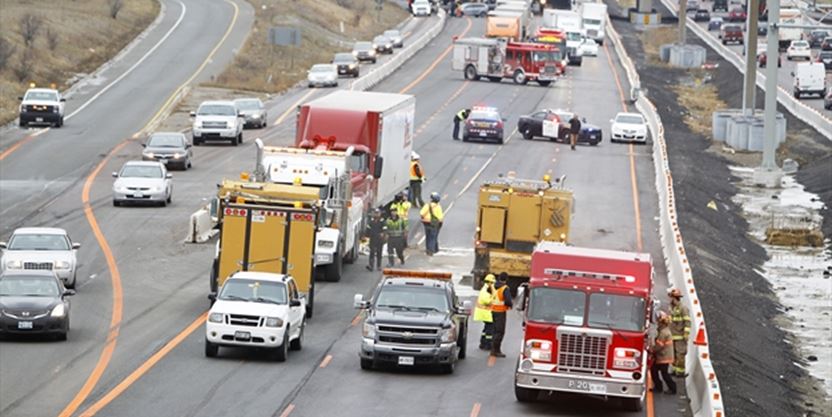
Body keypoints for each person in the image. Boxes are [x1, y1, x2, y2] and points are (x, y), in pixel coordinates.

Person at [650, 312, 678, 395]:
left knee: (663, 373)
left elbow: (659, 345)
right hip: (664, 356)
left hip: (663, 357)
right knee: (656, 371)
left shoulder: (663, 333)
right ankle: (660, 387)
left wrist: (652, 350)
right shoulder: (664, 331)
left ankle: (672, 388)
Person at [669, 288, 691, 377]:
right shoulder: (672, 308)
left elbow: (687, 322)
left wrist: (686, 334)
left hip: (680, 337)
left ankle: (681, 372)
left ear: (675, 298)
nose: (670, 299)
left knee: (680, 354)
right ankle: (674, 370)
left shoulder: (683, 308)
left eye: (671, 297)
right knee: (673, 354)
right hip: (672, 335)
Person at [490, 272, 513, 358]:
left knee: (495, 330)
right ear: (506, 279)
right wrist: (510, 305)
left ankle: (493, 349)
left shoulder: (493, 286)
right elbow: (508, 301)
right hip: (500, 312)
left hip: (493, 310)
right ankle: (495, 350)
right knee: (500, 331)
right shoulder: (504, 288)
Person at [474, 274, 496, 350]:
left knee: (486, 329)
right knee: (489, 330)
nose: (493, 284)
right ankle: (487, 344)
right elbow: (488, 301)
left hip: (484, 313)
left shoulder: (486, 289)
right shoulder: (485, 291)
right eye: (492, 283)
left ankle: (483, 343)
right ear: (489, 282)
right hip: (486, 314)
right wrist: (493, 297)